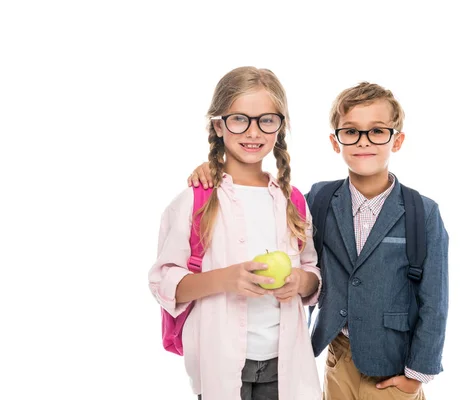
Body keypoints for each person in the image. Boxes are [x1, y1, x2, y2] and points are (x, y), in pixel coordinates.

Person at [188, 82, 449, 400]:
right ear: (335, 141)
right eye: (351, 131)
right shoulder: (319, 200)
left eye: (377, 131)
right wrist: (215, 170)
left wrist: (418, 373)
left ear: (397, 140)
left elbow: (435, 300)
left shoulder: (422, 212)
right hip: (335, 357)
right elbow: (268, 203)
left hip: (393, 366)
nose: (363, 141)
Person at [149, 66, 322, 400]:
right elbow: (163, 282)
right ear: (219, 125)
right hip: (221, 360)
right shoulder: (195, 199)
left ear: (280, 126)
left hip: (285, 363)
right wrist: (224, 279)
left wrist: (303, 282)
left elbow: (312, 268)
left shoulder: (293, 200)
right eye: (240, 119)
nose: (253, 131)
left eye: (266, 120)